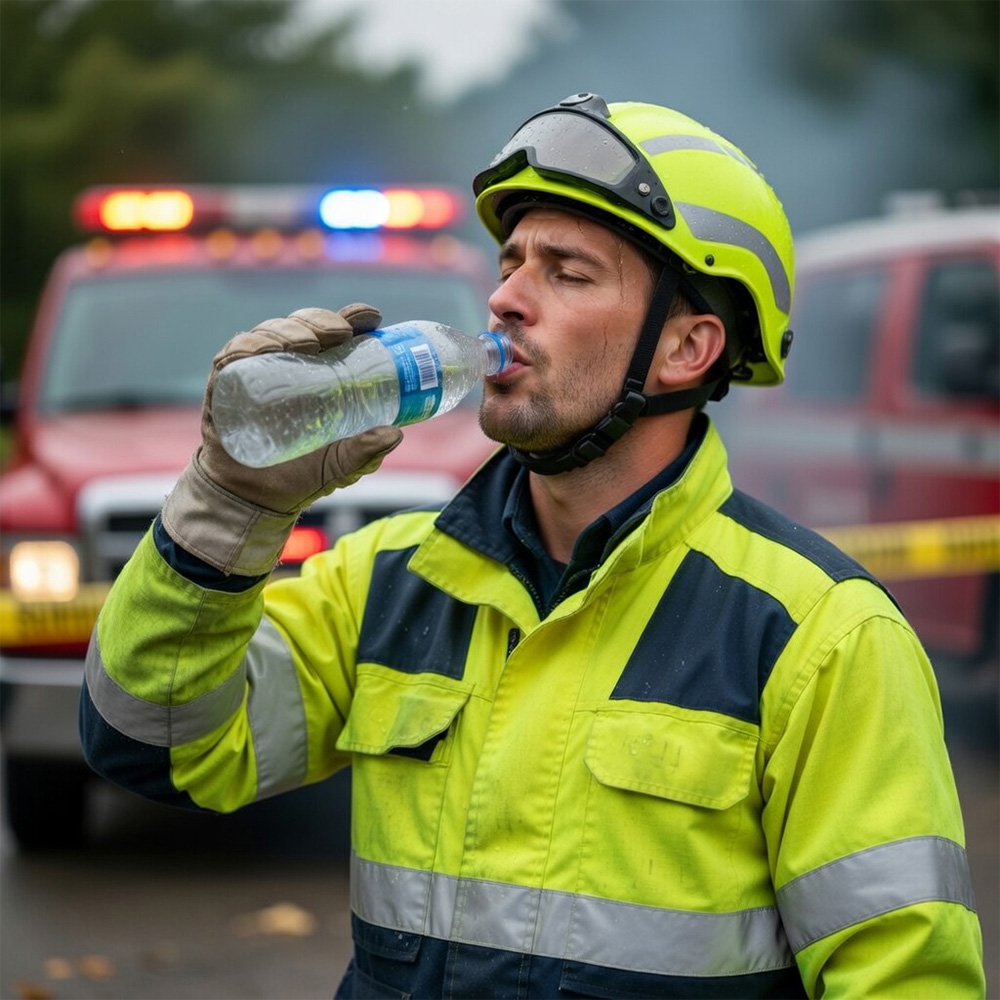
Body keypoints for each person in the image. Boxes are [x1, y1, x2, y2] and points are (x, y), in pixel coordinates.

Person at [80, 93, 985, 998]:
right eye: (510, 261)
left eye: (567, 272)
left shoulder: (821, 638)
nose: (507, 298)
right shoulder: (389, 580)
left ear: (686, 348)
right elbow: (153, 744)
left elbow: (904, 981)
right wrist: (226, 500)